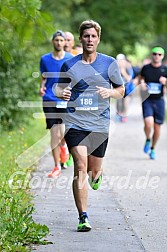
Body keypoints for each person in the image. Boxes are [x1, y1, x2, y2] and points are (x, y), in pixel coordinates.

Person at [55, 20, 125, 231]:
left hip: (99, 124)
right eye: (86, 36)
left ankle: (98, 174)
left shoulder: (109, 63)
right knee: (80, 166)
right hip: (75, 122)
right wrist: (63, 93)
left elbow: (121, 89)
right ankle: (83, 216)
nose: (90, 40)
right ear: (80, 38)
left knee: (93, 171)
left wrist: (110, 92)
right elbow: (58, 88)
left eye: (93, 36)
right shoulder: (70, 64)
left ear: (98, 38)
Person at [39, 30, 73, 177]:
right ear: (53, 42)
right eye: (56, 40)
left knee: (63, 133)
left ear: (65, 42)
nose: (59, 43)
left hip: (65, 99)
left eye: (61, 40)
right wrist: (41, 87)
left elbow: (75, 79)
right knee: (54, 133)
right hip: (49, 99)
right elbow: (43, 77)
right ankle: (56, 166)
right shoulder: (45, 59)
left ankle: (64, 147)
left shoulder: (70, 59)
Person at [139, 46, 167, 160]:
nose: (157, 56)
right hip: (147, 100)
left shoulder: (165, 70)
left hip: (159, 101)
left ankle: (153, 148)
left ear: (162, 56)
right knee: (148, 123)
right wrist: (141, 83)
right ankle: (147, 139)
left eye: (159, 54)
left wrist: (165, 82)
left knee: (157, 128)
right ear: (152, 55)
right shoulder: (146, 68)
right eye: (155, 54)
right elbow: (140, 78)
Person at [115, 54, 135, 122]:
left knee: (126, 102)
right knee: (119, 102)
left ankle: (124, 115)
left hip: (128, 88)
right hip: (119, 88)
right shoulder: (115, 68)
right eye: (118, 61)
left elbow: (129, 79)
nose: (120, 62)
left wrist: (123, 71)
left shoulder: (128, 67)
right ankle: (119, 113)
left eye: (121, 60)